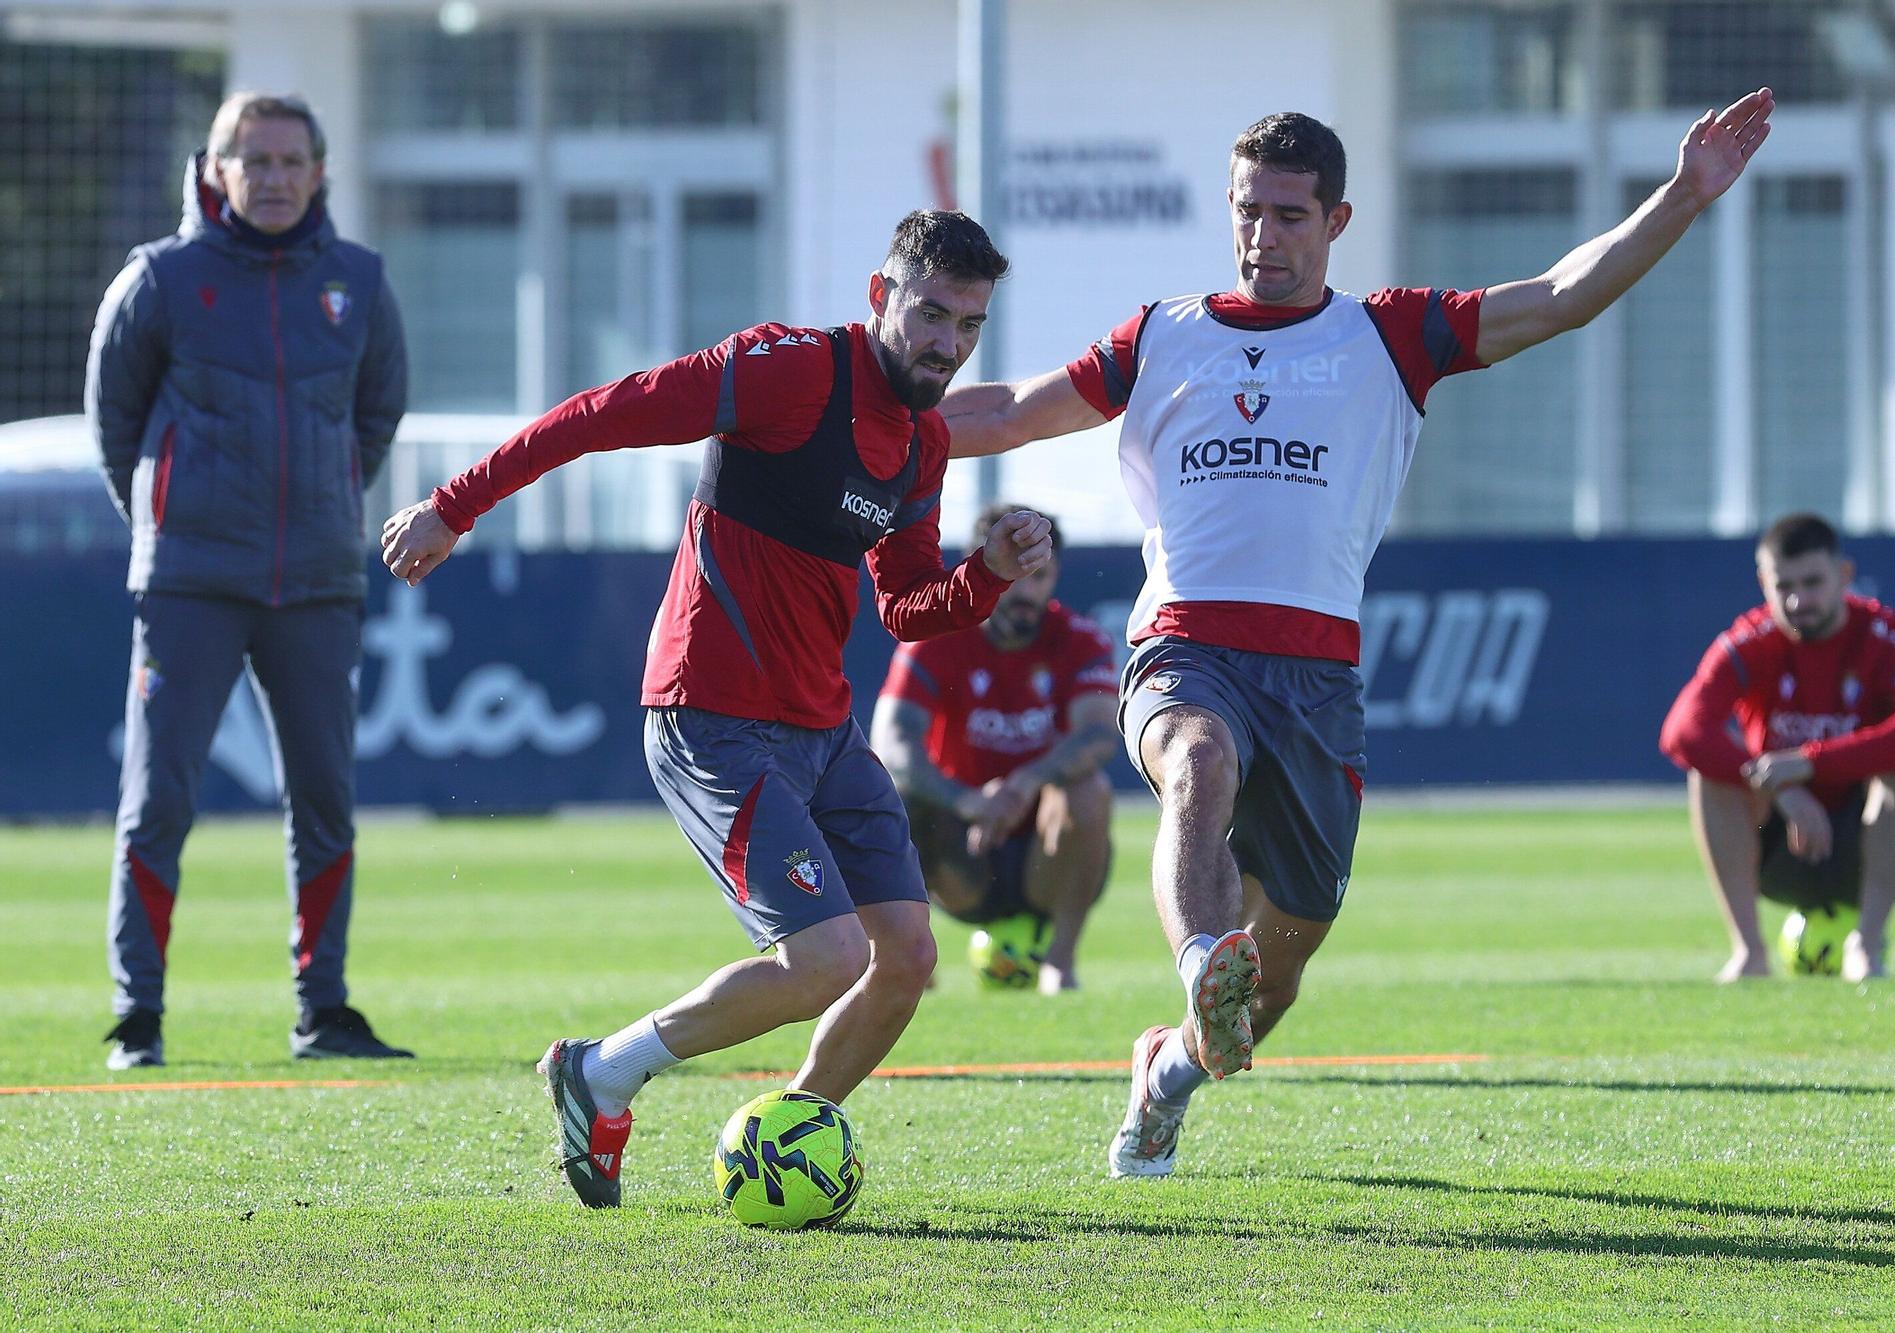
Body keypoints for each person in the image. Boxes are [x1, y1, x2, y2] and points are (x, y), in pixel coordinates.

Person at [941, 91, 1777, 1178]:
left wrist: (1679, 196)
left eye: (1288, 214)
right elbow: (1005, 410)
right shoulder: (1160, 337)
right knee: (1195, 760)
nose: (1261, 235)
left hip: (1317, 679)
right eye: (1246, 210)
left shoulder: (1390, 333)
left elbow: (1563, 297)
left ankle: (1168, 1070)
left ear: (1335, 221)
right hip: (1184, 646)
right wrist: (850, 424)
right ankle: (1199, 958)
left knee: (1276, 977)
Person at [380, 210, 1047, 1209]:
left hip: (822, 733)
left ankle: (786, 1136)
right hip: (711, 718)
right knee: (825, 956)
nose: (945, 343)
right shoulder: (786, 371)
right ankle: (601, 1071)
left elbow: (906, 606)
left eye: (966, 326)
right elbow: (604, 410)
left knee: (904, 955)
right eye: (928, 313)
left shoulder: (919, 444)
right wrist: (455, 503)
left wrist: (986, 574)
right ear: (880, 295)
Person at [86, 92, 411, 1070]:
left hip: (316, 582)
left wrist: (316, 500)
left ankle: (324, 1011)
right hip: (190, 582)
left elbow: (378, 415)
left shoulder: (359, 281)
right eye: (252, 160)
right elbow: (115, 428)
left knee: (325, 800)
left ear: (318, 174)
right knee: (159, 800)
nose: (272, 178)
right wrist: (175, 520)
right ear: (215, 168)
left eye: (289, 161)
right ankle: (137, 1014)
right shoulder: (160, 279)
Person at [1659, 513, 1895, 984]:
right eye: (1784, 586)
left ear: (1844, 577)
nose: (1798, 600)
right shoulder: (1751, 640)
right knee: (1706, 775)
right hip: (1779, 841)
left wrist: (1809, 765)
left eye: (1813, 582)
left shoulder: (1887, 638)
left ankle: (1867, 945)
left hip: (1867, 841)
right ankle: (1749, 953)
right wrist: (1782, 791)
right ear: (1763, 583)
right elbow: (1682, 731)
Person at [871, 504, 1121, 994]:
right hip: (962, 854)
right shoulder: (935, 635)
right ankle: (909, 968)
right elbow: (892, 742)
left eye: (1040, 577)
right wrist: (967, 800)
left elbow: (1099, 735)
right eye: (1014, 577)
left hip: (1045, 857)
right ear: (981, 566)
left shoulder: (1080, 640)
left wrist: (1024, 784)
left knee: (1088, 791)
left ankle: (1060, 965)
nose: (1025, 593)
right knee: (890, 797)